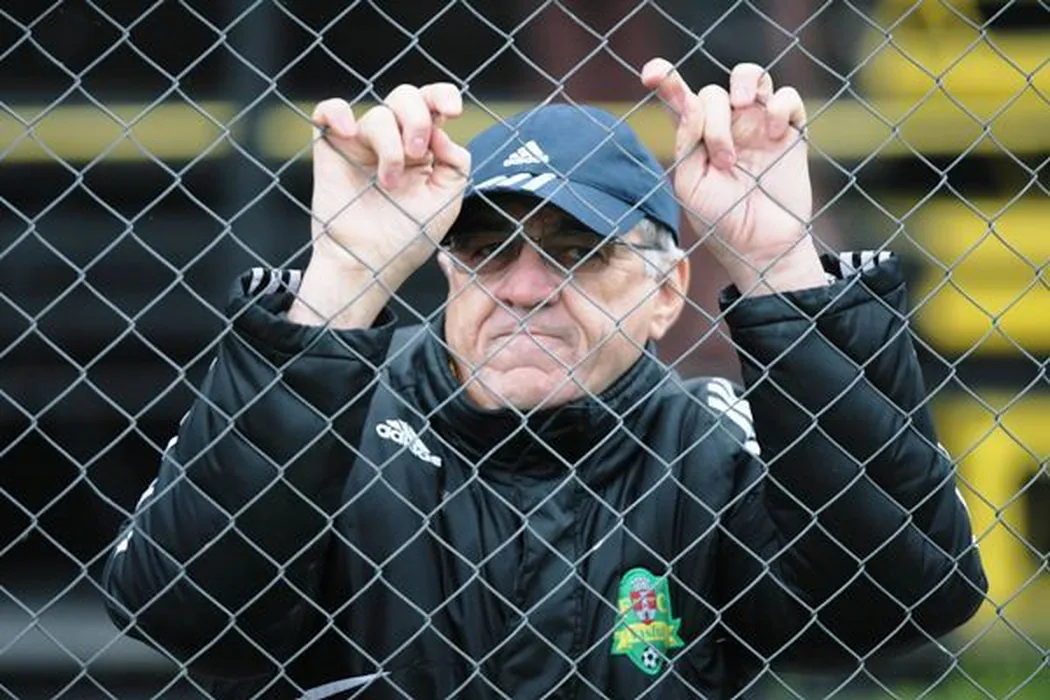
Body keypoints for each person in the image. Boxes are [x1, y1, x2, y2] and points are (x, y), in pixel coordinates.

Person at [102, 58, 987, 699]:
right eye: (488, 251)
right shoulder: (337, 413)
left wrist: (780, 261)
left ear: (666, 293)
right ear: (447, 272)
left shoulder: (708, 444)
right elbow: (179, 611)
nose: (526, 289)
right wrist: (340, 281)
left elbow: (901, 601)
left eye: (579, 253)